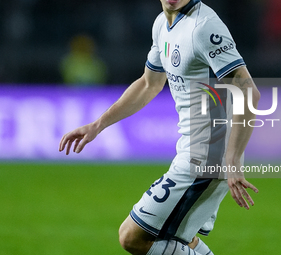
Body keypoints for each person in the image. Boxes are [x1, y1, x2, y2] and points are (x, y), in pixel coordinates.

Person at [59, 0, 260, 254]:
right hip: (192, 148)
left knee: (132, 237)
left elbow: (248, 90)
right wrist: (97, 125)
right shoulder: (161, 25)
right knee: (179, 239)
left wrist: (231, 159)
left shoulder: (204, 26)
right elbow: (148, 84)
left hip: (209, 154)